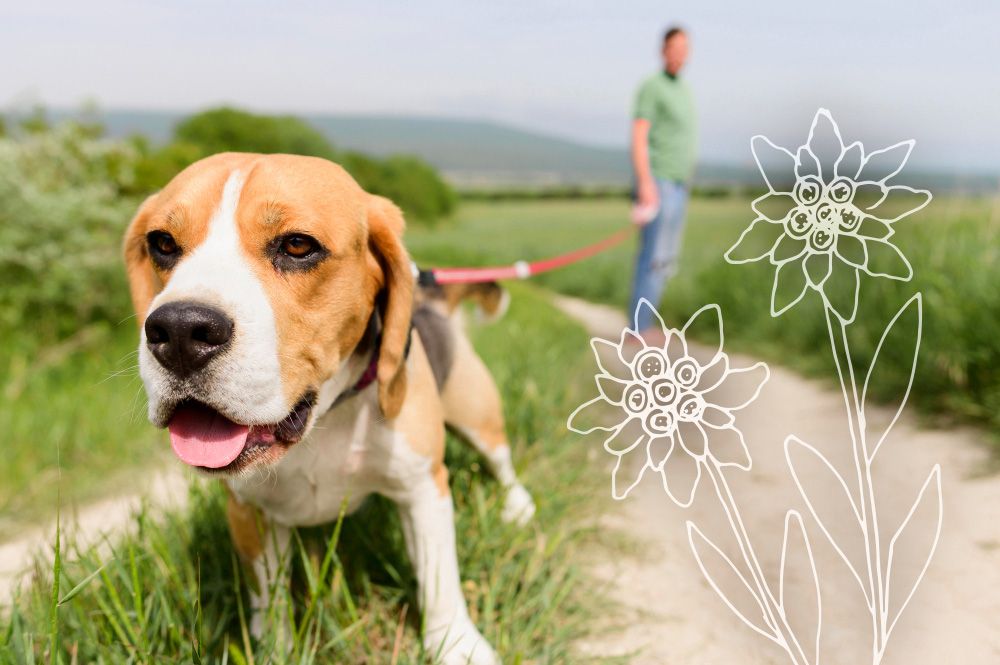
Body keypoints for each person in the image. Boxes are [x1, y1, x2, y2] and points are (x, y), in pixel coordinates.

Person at [628, 26, 697, 337]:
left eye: (685, 48)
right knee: (652, 257)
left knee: (666, 260)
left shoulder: (684, 89)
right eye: (675, 48)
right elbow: (639, 135)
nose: (680, 54)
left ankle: (646, 323)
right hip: (658, 184)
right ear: (663, 50)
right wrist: (645, 184)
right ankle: (638, 329)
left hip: (680, 185)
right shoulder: (652, 87)